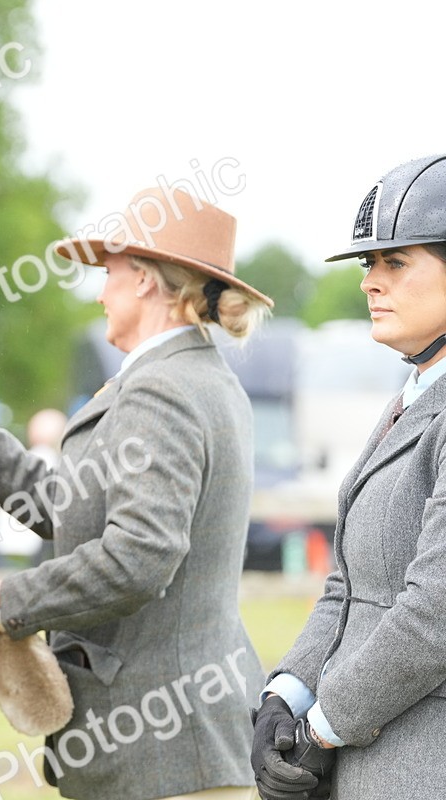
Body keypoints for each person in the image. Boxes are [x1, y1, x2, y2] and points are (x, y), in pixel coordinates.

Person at [0, 187, 273, 800]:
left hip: (163, 758)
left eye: (109, 273)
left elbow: (139, 557)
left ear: (143, 280)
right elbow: (70, 507)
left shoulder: (160, 389)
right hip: (179, 749)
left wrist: (13, 598)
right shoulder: (198, 378)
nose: (98, 290)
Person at [252, 154, 446, 800]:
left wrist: (323, 725)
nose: (370, 282)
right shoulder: (410, 397)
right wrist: (286, 692)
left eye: (395, 262)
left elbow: (433, 613)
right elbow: (348, 583)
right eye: (369, 265)